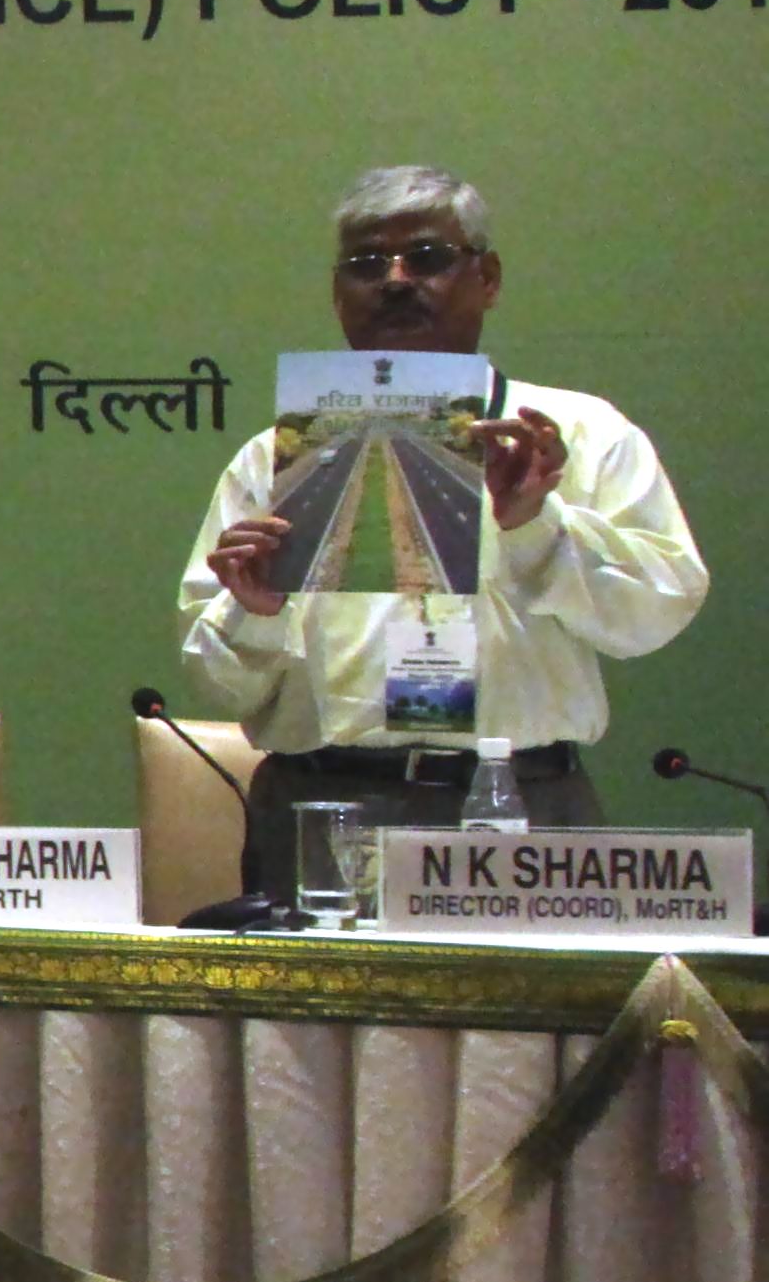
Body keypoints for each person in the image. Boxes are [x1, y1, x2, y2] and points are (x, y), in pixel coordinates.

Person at [183, 165, 704, 888]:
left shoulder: (580, 432)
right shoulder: (277, 459)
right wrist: (255, 610)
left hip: (527, 806)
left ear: (487, 277)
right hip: (325, 805)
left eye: (426, 257)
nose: (395, 280)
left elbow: (656, 615)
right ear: (338, 294)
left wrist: (538, 527)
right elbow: (218, 682)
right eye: (367, 264)